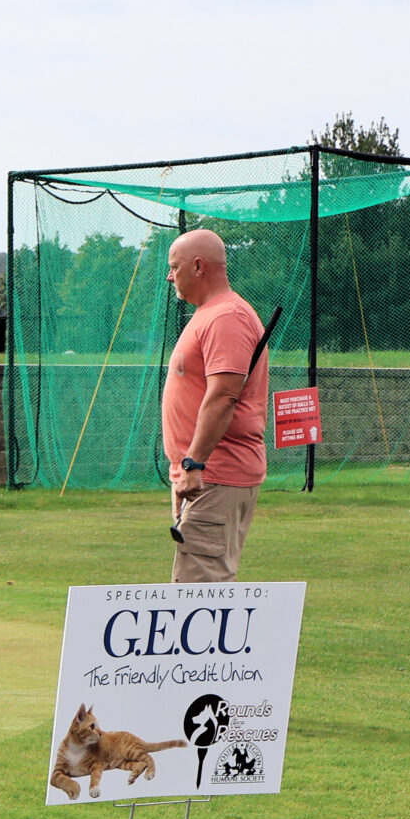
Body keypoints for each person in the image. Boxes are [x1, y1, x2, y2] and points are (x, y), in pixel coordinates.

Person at [162, 229, 269, 583]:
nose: (169, 277)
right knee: (197, 588)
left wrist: (194, 464)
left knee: (200, 594)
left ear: (198, 266)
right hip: (203, 476)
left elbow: (224, 396)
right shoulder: (212, 314)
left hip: (213, 474)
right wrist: (184, 469)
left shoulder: (226, 317)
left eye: (174, 267)